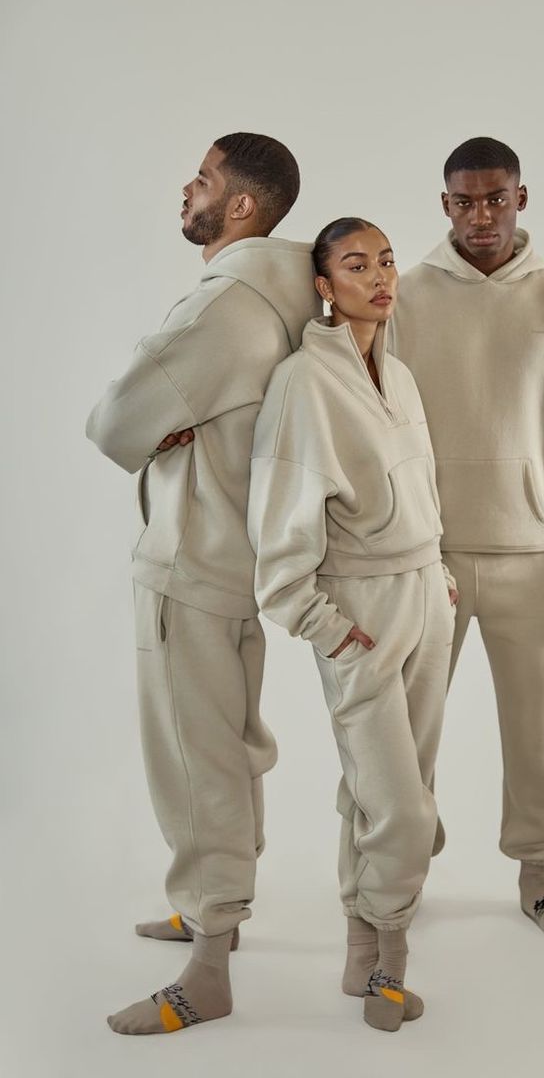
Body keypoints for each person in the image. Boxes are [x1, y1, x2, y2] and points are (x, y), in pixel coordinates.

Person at [86, 132, 321, 1034]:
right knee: (228, 745)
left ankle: (209, 968)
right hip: (244, 558)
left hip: (190, 561)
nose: (186, 188)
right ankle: (216, 912)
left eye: (205, 179)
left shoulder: (225, 307)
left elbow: (115, 422)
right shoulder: (299, 293)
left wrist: (161, 422)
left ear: (243, 208)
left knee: (195, 760)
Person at [392, 136, 544, 942]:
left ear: (522, 199)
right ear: (444, 204)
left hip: (531, 557)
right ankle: (398, 874)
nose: (480, 215)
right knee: (405, 732)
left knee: (538, 731)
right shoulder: (402, 299)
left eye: (495, 198)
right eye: (464, 200)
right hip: (425, 558)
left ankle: (537, 876)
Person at [247, 218, 458, 1032]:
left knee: (390, 791)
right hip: (360, 607)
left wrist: (437, 575)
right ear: (324, 288)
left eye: (388, 260)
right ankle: (391, 964)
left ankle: (358, 948)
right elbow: (279, 525)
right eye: (356, 264)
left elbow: (424, 488)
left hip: (425, 601)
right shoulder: (304, 383)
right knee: (400, 808)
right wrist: (321, 622)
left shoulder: (398, 376)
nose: (380, 276)